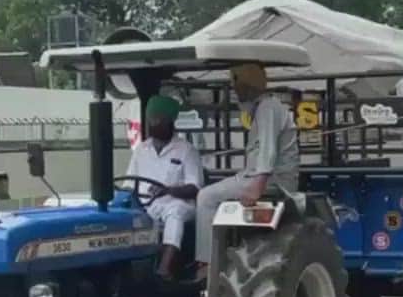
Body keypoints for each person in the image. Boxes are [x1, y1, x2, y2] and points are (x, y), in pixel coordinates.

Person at [194, 63, 300, 272]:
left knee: (205, 198)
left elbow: (267, 148)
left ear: (248, 85)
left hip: (271, 180)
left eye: (237, 84)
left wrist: (257, 185)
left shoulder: (268, 107)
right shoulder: (263, 107)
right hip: (254, 176)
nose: (235, 90)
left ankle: (206, 263)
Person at [125, 95, 203, 279]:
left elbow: (195, 187)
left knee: (174, 214)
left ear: (170, 121)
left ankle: (165, 268)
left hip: (178, 203)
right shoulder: (141, 150)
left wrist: (168, 190)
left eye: (158, 119)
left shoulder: (186, 150)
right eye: (151, 119)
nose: (152, 124)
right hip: (147, 204)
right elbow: (128, 184)